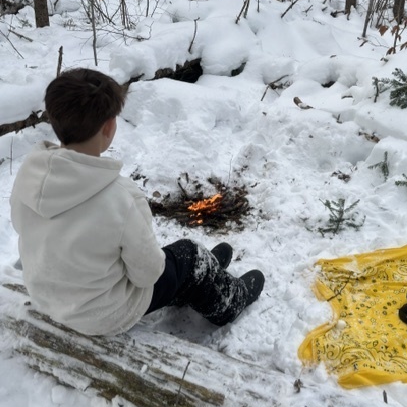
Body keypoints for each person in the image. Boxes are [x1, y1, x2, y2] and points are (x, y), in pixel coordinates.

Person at [10, 68, 264, 336]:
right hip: (104, 314)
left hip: (49, 296)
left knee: (174, 260)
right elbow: (148, 273)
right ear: (108, 127)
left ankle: (198, 279)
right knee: (189, 255)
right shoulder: (120, 198)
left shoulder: (31, 177)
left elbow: (23, 226)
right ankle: (229, 301)